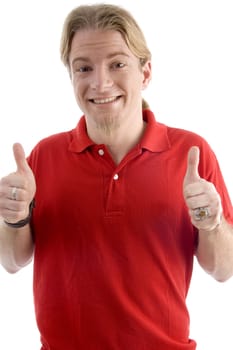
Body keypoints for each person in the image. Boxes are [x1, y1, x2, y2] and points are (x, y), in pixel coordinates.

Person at [0, 3, 233, 350]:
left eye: (117, 64)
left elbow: (223, 270)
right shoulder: (44, 156)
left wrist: (210, 223)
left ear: (146, 72)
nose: (100, 82)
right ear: (72, 77)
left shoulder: (191, 153)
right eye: (84, 68)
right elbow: (12, 261)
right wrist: (14, 220)